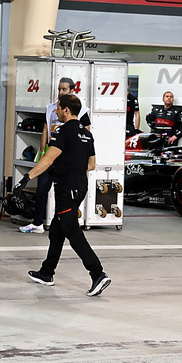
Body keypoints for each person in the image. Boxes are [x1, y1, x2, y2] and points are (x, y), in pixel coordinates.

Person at [20, 94, 111, 298]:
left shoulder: (62, 132)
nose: (56, 112)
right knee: (57, 230)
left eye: (58, 108)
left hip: (66, 188)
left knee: (71, 229)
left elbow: (48, 160)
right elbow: (91, 164)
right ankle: (46, 273)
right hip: (80, 187)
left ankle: (97, 273)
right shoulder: (87, 134)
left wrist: (26, 178)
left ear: (66, 110)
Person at [20, 77, 88, 233]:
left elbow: (86, 133)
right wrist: (42, 151)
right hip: (52, 155)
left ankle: (67, 224)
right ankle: (38, 223)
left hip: (67, 158)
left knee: (65, 192)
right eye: (59, 89)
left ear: (72, 90)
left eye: (64, 89)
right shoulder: (51, 108)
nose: (61, 92)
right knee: (42, 188)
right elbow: (46, 129)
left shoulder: (81, 111)